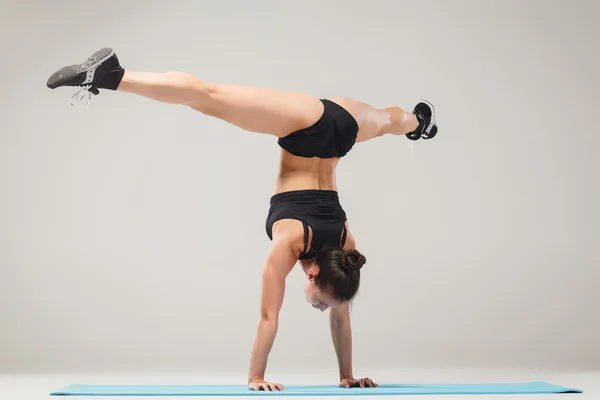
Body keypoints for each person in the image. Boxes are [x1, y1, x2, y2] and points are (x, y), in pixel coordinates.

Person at [46, 48, 438, 392]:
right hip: (307, 125)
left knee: (389, 121)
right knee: (210, 98)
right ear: (313, 275)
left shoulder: (344, 246)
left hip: (344, 126)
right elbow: (269, 318)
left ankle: (419, 123)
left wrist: (347, 376)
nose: (320, 310)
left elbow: (341, 312)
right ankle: (112, 75)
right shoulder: (287, 246)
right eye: (320, 304)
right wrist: (255, 378)